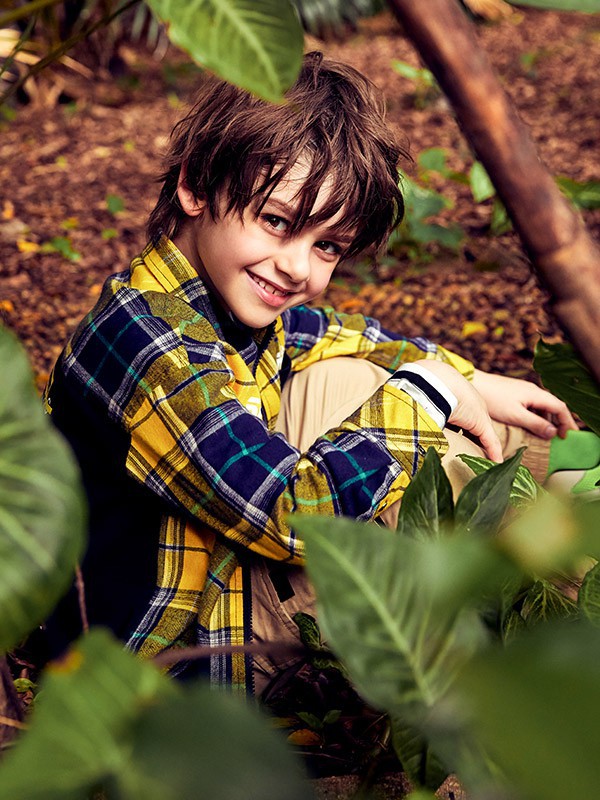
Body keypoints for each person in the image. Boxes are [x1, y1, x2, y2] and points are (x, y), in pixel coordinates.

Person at [43, 51, 595, 695]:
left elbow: (339, 337)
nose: (299, 267)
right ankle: (570, 597)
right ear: (195, 187)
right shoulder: (143, 338)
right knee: (432, 476)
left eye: (327, 245)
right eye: (277, 222)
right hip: (191, 647)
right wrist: (432, 392)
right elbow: (289, 514)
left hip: (232, 573)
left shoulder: (226, 302)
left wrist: (466, 379)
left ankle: (572, 495)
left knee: (363, 381)